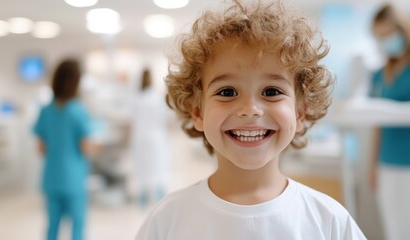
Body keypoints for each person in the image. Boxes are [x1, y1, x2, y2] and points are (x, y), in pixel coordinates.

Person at [136, 0, 366, 239]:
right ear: (197, 112)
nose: (250, 109)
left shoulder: (329, 222)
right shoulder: (167, 220)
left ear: (300, 112)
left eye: (271, 92)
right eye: (227, 92)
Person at [34, 58, 97, 240]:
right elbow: (86, 148)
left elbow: (40, 149)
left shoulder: (46, 111)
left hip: (51, 178)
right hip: (73, 179)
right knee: (77, 227)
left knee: (52, 227)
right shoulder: (78, 111)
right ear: (77, 81)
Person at [369, 4, 410, 240]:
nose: (384, 41)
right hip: (387, 163)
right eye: (379, 37)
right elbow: (377, 123)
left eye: (387, 34)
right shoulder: (379, 74)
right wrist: (373, 166)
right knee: (394, 230)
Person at [130, 69, 170, 207]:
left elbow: (132, 120)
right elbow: (165, 117)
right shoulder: (157, 97)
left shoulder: (137, 98)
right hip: (156, 138)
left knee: (142, 167)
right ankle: (158, 196)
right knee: (157, 166)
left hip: (140, 138)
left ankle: (143, 197)